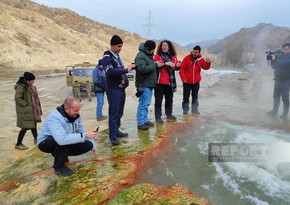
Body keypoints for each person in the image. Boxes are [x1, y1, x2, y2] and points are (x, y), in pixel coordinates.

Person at [37, 96, 97, 176]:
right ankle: (59, 166)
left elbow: (82, 131)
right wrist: (83, 135)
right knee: (61, 140)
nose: (78, 112)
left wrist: (93, 144)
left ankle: (60, 154)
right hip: (46, 143)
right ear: (66, 109)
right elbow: (61, 139)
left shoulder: (75, 116)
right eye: (75, 110)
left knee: (88, 145)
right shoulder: (54, 118)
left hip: (63, 140)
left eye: (78, 110)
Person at [102, 34, 135, 146]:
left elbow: (119, 70)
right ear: (112, 45)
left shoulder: (117, 57)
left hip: (121, 89)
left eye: (121, 46)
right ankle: (112, 136)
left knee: (119, 112)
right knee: (114, 114)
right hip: (113, 90)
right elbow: (110, 71)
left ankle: (116, 130)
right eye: (118, 46)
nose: (120, 49)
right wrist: (126, 69)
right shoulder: (107, 57)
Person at [135, 40, 164, 130]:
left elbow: (150, 66)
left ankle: (145, 120)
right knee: (143, 104)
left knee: (147, 104)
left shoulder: (147, 55)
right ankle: (140, 123)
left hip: (150, 84)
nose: (153, 52)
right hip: (144, 84)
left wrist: (157, 65)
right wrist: (155, 65)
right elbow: (142, 69)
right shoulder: (140, 56)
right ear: (148, 49)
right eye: (152, 50)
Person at [153, 40, 181, 123]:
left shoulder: (173, 57)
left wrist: (178, 66)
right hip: (159, 82)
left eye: (166, 45)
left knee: (169, 99)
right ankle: (158, 117)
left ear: (169, 47)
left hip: (170, 82)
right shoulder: (157, 56)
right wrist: (166, 63)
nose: (164, 47)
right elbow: (156, 67)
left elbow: (175, 67)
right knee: (158, 100)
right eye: (162, 45)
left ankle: (169, 114)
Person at [179, 45, 211, 114]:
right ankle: (185, 110)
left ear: (199, 53)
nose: (194, 53)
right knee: (186, 97)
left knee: (195, 97)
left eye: (196, 52)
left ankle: (195, 110)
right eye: (193, 52)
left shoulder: (201, 59)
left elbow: (205, 67)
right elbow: (181, 70)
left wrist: (208, 63)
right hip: (187, 82)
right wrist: (183, 78)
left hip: (196, 82)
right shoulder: (186, 58)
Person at [14, 72, 42, 150]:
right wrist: (27, 105)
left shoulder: (31, 86)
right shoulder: (22, 87)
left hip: (32, 110)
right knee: (25, 127)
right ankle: (18, 144)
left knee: (33, 125)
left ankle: (36, 139)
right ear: (28, 80)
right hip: (26, 111)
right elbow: (17, 98)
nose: (33, 81)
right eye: (32, 80)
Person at [266, 43, 290, 120]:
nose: (284, 51)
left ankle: (285, 114)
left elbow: (285, 63)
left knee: (285, 98)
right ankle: (274, 111)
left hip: (286, 80)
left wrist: (275, 58)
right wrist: (272, 59)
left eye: (286, 49)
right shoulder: (280, 55)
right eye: (283, 49)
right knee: (276, 96)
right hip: (278, 80)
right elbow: (274, 67)